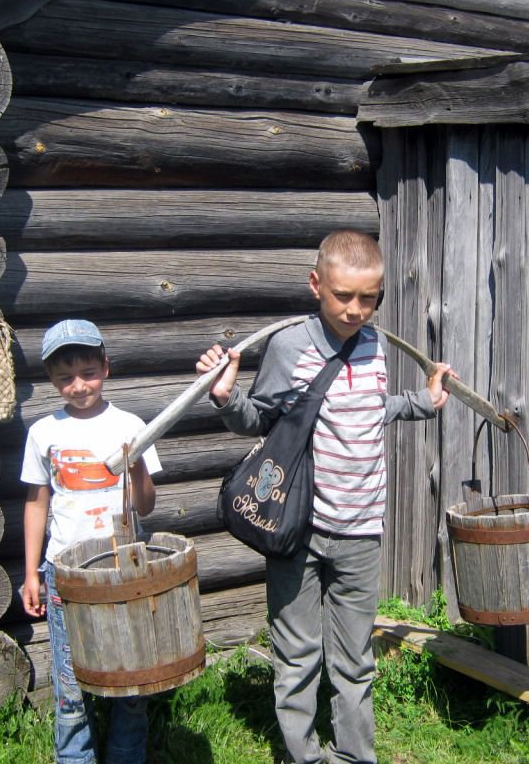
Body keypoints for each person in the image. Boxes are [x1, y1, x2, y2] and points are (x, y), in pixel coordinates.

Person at [196, 230, 455, 764]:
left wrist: (422, 402)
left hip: (362, 531)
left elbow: (366, 411)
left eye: (369, 298)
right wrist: (227, 398)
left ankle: (356, 756)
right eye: (343, 296)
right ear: (317, 284)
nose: (356, 310)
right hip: (299, 531)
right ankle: (303, 756)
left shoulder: (374, 344)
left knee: (355, 659)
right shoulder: (290, 346)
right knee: (296, 656)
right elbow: (264, 419)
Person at [21, 319, 161, 764]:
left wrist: (134, 463)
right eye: (65, 377)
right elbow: (36, 503)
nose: (78, 385)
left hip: (123, 574)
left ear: (107, 366)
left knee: (131, 676)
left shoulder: (130, 425)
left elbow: (146, 506)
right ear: (51, 379)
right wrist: (30, 574)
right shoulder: (45, 433)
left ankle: (126, 756)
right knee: (69, 682)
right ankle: (75, 758)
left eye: (88, 373)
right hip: (65, 575)